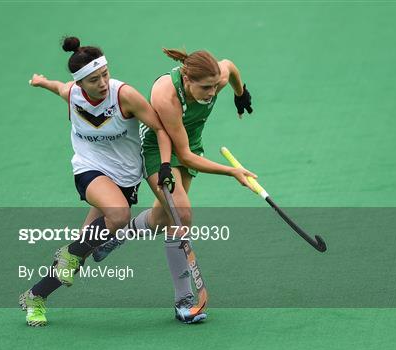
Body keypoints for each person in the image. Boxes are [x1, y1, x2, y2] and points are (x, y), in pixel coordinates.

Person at [93, 48, 256, 323]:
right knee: (182, 214)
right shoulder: (167, 96)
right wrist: (232, 171)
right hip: (158, 149)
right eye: (205, 88)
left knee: (162, 217)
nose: (212, 93)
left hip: (190, 142)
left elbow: (230, 65)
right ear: (187, 78)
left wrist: (241, 94)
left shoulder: (218, 75)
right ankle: (184, 301)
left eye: (216, 86)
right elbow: (184, 154)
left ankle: (118, 236)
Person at [19, 36, 174, 327]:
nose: (102, 83)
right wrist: (42, 82)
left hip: (125, 178)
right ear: (80, 84)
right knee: (118, 214)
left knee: (83, 250)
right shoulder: (73, 94)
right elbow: (59, 88)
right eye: (93, 79)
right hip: (89, 169)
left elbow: (160, 128)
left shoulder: (124, 95)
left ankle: (35, 296)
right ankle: (68, 254)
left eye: (104, 74)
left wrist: (165, 165)